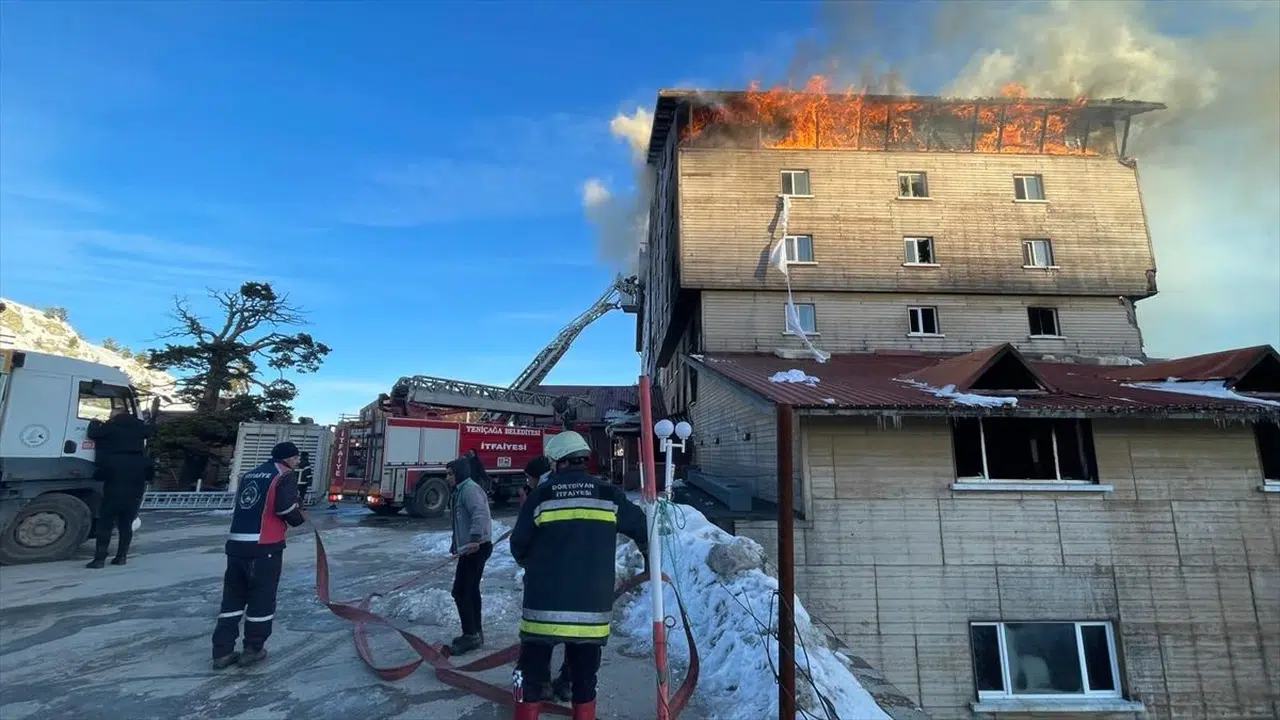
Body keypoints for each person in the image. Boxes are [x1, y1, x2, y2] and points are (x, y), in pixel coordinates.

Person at [510, 431, 648, 720]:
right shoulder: (609, 495)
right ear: (583, 459)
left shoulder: (541, 496)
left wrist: (534, 567)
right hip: (591, 613)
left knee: (529, 676)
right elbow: (641, 527)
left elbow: (518, 544)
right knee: (584, 682)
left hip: (542, 609)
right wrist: (648, 560)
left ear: (557, 462)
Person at [211, 442, 307, 669]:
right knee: (261, 599)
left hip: (236, 545)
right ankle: (253, 649)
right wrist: (299, 517)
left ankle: (221, 652)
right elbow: (284, 509)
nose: (296, 463)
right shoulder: (284, 475)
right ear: (290, 458)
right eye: (295, 459)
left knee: (232, 600)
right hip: (264, 546)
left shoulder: (251, 474)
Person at [85, 407, 154, 569]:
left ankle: (99, 559)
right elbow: (150, 477)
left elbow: (99, 475)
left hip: (113, 493)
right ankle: (121, 556)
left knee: (106, 524)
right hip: (134, 495)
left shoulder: (111, 455)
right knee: (126, 525)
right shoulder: (144, 460)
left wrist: (95, 423)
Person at [447, 455, 493, 656]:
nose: (447, 478)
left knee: (461, 591)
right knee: (470, 590)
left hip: (477, 547)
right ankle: (476, 632)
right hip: (470, 547)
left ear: (460, 473)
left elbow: (479, 514)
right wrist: (455, 544)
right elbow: (460, 521)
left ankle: (470, 635)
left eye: (450, 474)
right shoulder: (461, 490)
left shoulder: (470, 490)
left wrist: (474, 539)